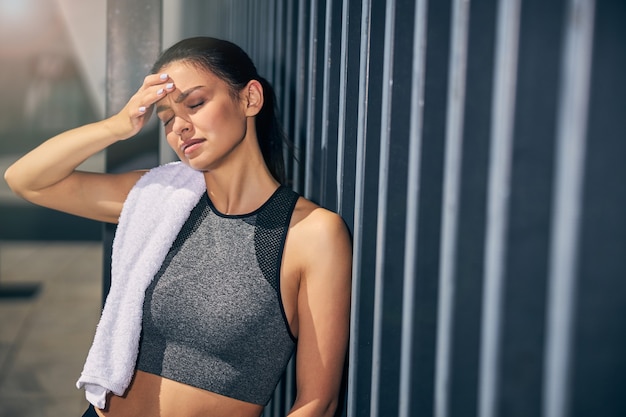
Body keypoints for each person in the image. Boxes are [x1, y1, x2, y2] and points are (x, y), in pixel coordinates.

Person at [4, 37, 352, 417]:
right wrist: (117, 126)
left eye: (196, 104)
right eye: (168, 119)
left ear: (250, 98)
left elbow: (318, 402)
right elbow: (27, 180)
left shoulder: (311, 234)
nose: (180, 127)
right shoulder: (162, 201)